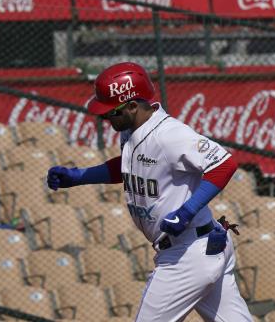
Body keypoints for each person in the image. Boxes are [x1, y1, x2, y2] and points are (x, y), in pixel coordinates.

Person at [46, 62, 253, 322]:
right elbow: (128, 167)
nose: (106, 118)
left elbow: (224, 164)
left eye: (112, 112)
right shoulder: (133, 129)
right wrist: (79, 177)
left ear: (133, 105)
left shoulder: (170, 135)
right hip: (203, 245)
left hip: (186, 253)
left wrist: (187, 211)